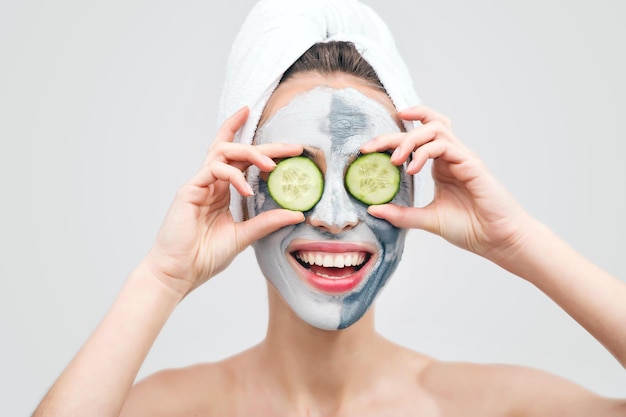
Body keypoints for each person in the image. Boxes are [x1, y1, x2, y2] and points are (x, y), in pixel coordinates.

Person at [33, 1, 626, 416]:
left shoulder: (498, 407)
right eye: (302, 175)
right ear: (239, 179)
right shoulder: (163, 409)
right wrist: (159, 279)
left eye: (370, 173)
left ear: (414, 178)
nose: (338, 215)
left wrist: (519, 240)